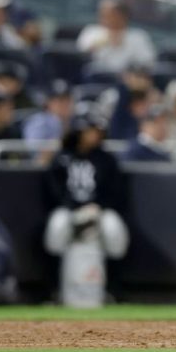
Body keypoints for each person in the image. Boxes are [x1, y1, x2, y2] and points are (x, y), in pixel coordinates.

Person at [43, 110, 129, 297]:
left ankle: (113, 290)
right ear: (79, 131)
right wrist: (74, 207)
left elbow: (116, 191)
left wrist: (98, 206)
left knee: (114, 231)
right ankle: (54, 289)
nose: (95, 135)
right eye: (91, 130)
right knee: (56, 229)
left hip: (99, 209)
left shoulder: (106, 159)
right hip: (69, 209)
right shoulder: (62, 157)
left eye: (97, 131)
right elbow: (53, 190)